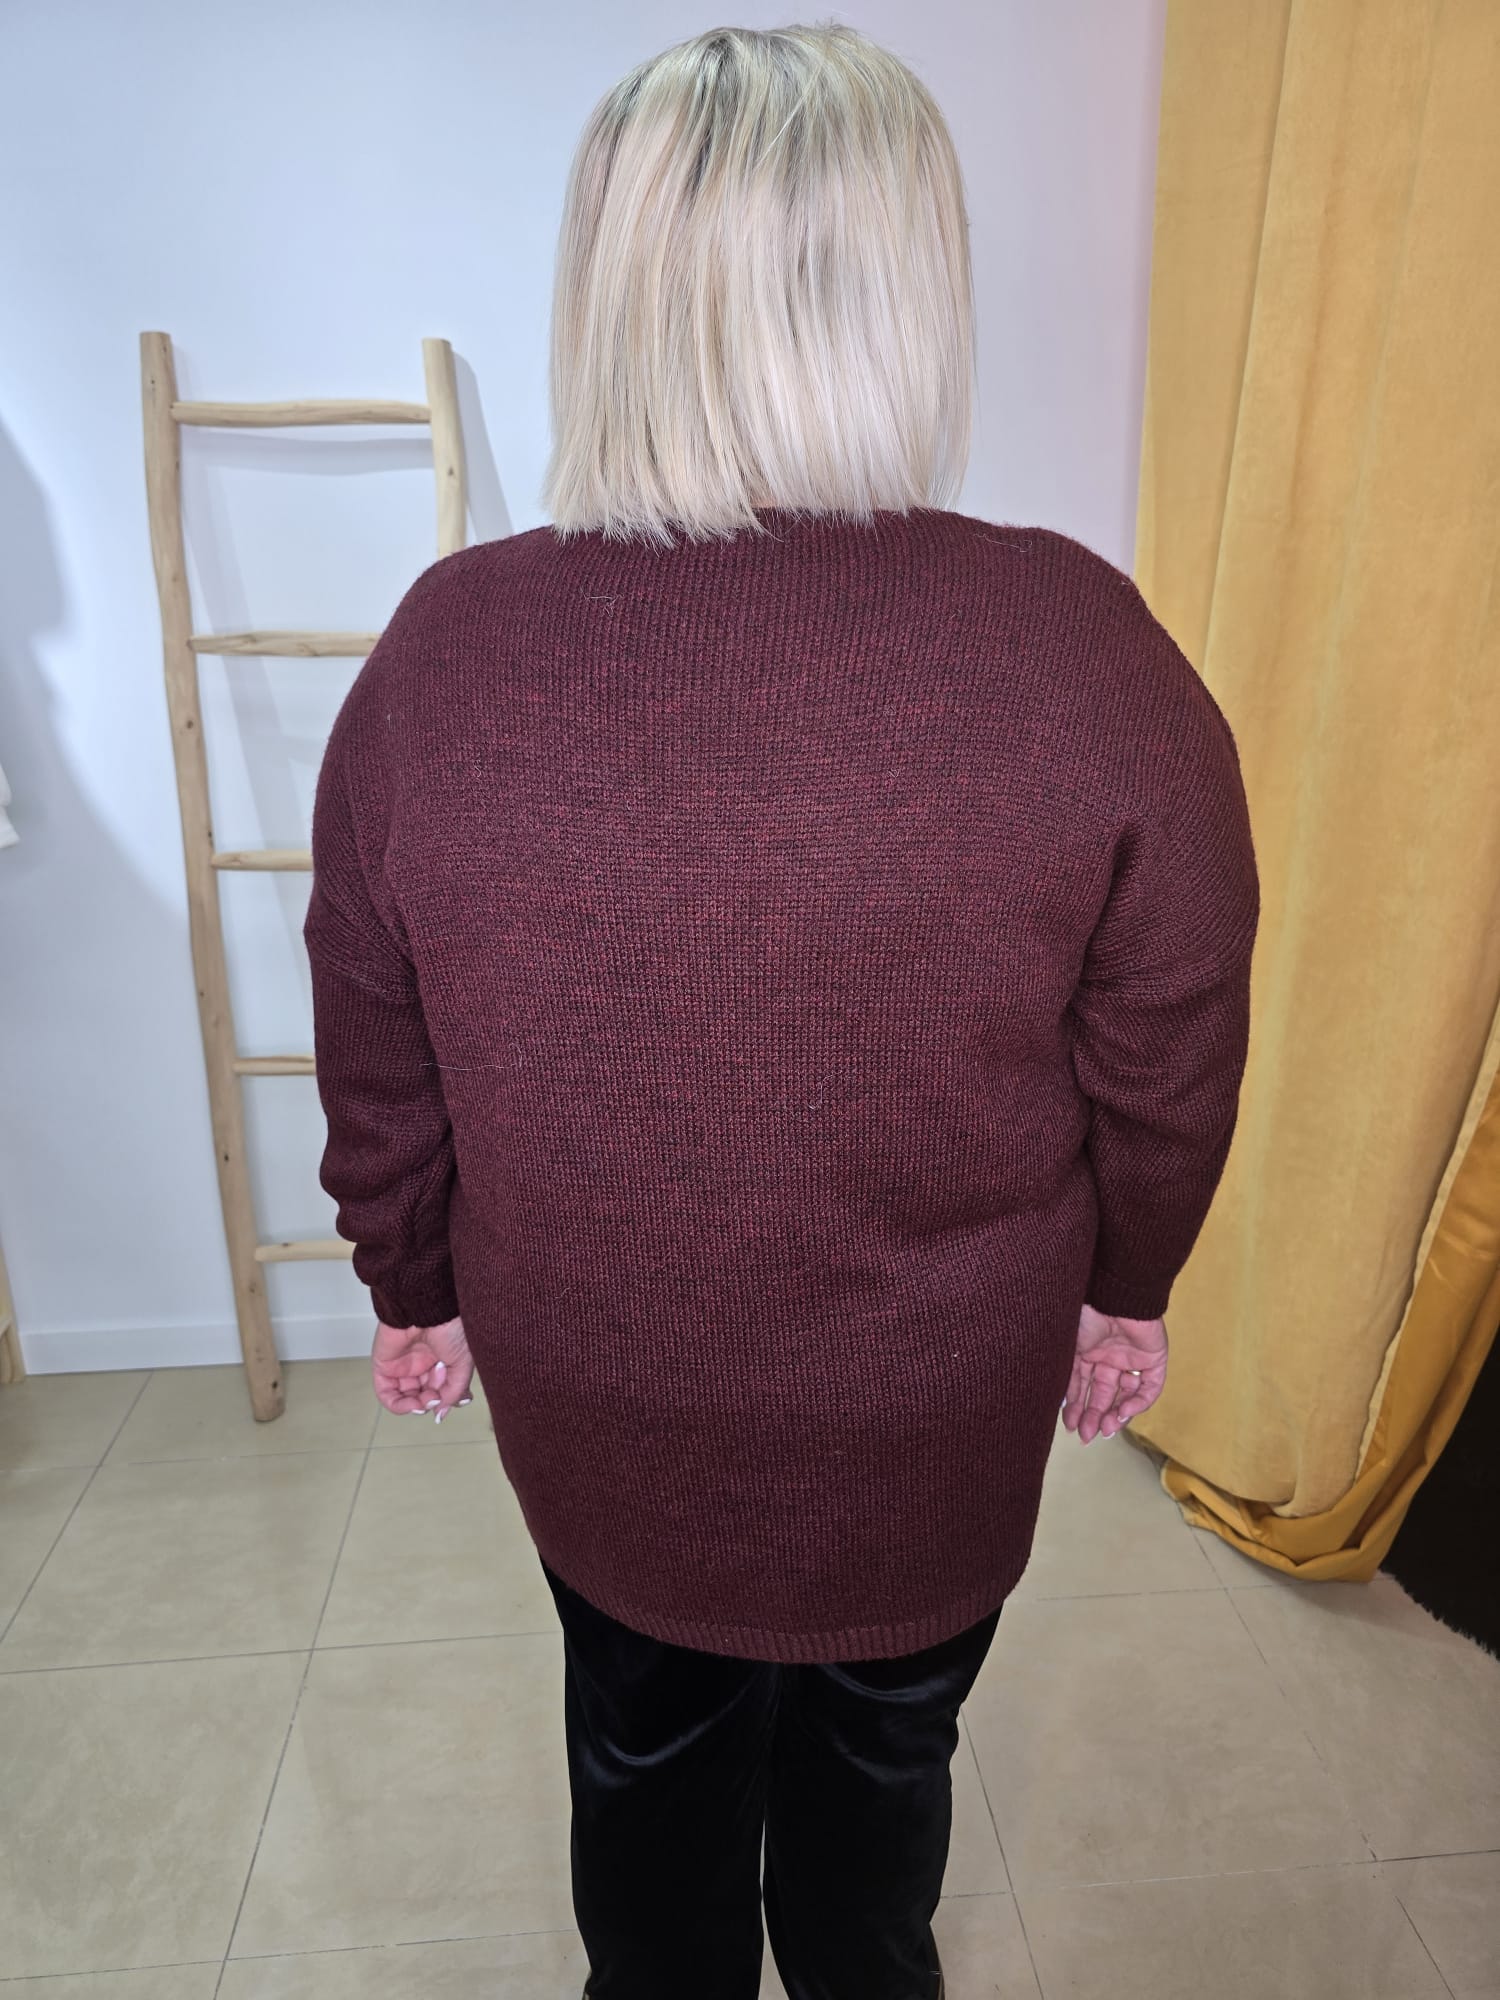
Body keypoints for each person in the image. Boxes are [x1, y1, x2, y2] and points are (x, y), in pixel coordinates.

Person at [305, 22, 1260, 2000]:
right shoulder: (1083, 641)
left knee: (645, 1758)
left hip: (607, 1389)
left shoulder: (451, 648)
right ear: (915, 290)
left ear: (613, 291)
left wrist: (410, 1278)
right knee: (883, 1767)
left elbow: (373, 1022)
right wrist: (1130, 1283)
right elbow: (1172, 1042)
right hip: (938, 1402)